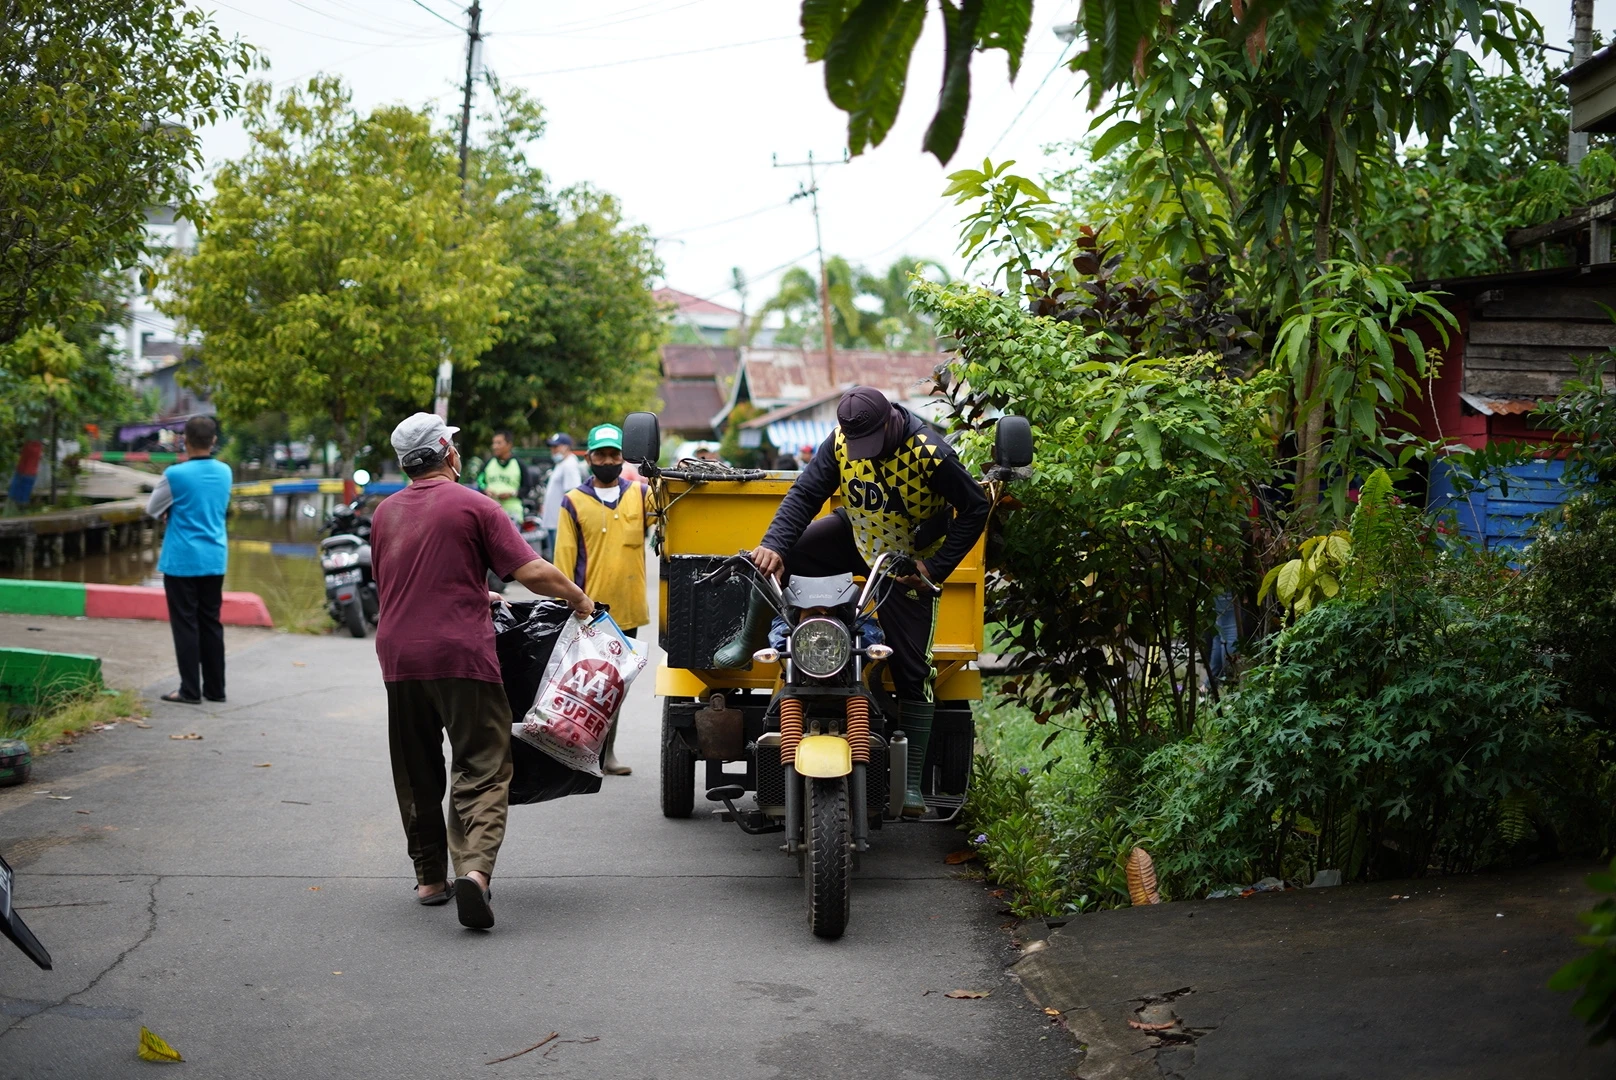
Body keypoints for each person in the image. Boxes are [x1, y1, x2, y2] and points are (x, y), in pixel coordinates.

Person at [714, 387, 990, 816]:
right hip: (857, 535)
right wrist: (773, 545)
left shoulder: (931, 452)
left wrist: (934, 569)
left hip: (904, 559)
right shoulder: (840, 441)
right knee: (775, 558)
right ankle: (751, 638)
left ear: (890, 422)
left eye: (873, 446)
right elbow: (805, 494)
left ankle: (911, 782)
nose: (866, 454)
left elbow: (976, 506)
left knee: (914, 665)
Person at [369, 413, 594, 930]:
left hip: (400, 658)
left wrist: (476, 591)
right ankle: (474, 873)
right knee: (484, 766)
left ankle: (429, 879)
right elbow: (532, 571)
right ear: (447, 451)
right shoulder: (475, 505)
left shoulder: (384, 514)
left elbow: (402, 582)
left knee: (416, 771)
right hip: (462, 656)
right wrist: (579, 599)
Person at [552, 423, 651, 776]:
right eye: (601, 455)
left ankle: (606, 753)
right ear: (589, 458)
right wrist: (565, 602)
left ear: (622, 457)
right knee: (582, 683)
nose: (608, 460)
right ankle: (573, 752)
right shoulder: (573, 502)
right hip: (587, 608)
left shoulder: (641, 495)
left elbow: (671, 511)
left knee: (615, 686)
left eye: (614, 454)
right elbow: (563, 557)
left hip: (628, 608)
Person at [146, 415, 233, 706]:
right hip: (214, 558)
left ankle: (189, 690)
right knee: (211, 622)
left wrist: (171, 511)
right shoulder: (225, 472)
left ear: (184, 440)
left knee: (186, 624)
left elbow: (153, 508)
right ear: (214, 441)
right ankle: (216, 689)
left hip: (182, 559)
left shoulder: (175, 474)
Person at [540, 433, 584, 559]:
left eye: (556, 447)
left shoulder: (569, 465)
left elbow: (573, 494)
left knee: (560, 562)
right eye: (552, 447)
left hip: (560, 524)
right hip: (554, 522)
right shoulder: (562, 464)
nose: (553, 450)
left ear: (566, 447)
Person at [476, 430, 530, 523]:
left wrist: (512, 494)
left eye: (499, 443)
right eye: (494, 443)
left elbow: (527, 486)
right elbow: (480, 481)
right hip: (491, 512)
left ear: (509, 444)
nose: (495, 446)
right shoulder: (488, 463)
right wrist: (486, 490)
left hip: (513, 514)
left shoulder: (519, 464)